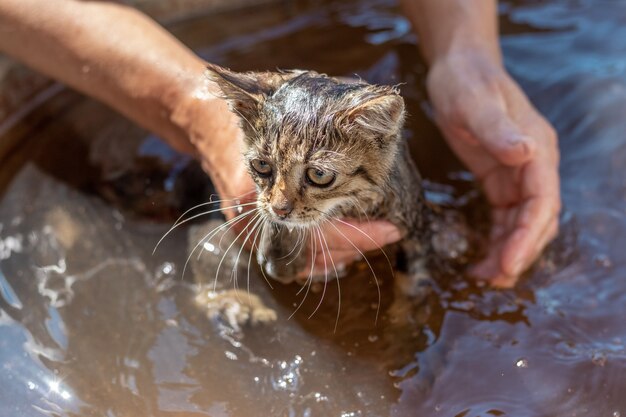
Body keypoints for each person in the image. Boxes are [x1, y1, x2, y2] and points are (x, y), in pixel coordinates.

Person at [0, 0, 560, 288]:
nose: (282, 205)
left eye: (314, 179)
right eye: (272, 178)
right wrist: (198, 113)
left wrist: (466, 55)